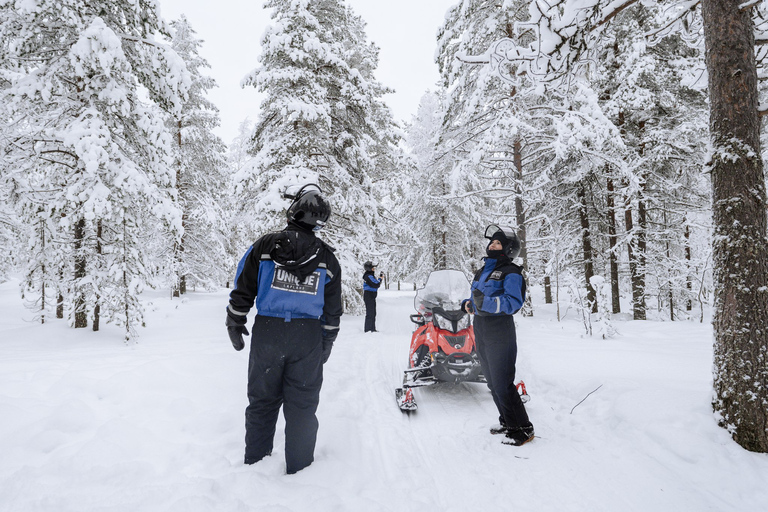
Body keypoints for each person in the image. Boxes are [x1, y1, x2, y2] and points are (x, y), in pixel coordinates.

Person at [225, 184, 343, 474]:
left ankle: (255, 465)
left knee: (262, 402)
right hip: (307, 338)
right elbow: (332, 309)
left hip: (268, 333)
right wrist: (326, 340)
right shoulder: (327, 259)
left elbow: (243, 286)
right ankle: (300, 472)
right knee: (302, 407)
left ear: (295, 210)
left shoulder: (265, 246)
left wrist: (235, 319)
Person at [462, 224, 534, 447]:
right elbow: (478, 298)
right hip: (481, 328)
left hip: (500, 330)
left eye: (498, 242)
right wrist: (468, 304)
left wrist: (487, 304)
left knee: (503, 382)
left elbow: (513, 303)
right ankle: (507, 421)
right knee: (492, 382)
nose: (492, 245)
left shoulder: (512, 272)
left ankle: (522, 429)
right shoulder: (482, 271)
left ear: (508, 249)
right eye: (492, 242)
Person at [362, 261, 383, 332]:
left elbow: (376, 284)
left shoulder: (369, 275)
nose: (374, 269)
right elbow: (376, 284)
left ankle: (372, 329)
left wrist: (380, 279)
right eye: (372, 268)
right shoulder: (368, 276)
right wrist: (380, 279)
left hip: (371, 295)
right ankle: (368, 329)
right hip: (369, 295)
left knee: (373, 312)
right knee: (370, 313)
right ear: (369, 268)